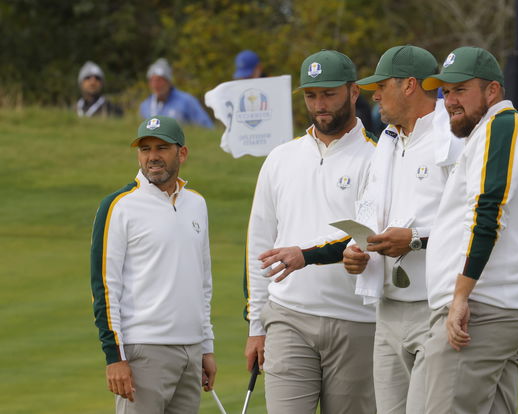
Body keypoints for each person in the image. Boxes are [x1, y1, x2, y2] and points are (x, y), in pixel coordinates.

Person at [263, 45, 462, 413]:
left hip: (435, 307)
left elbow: (466, 224)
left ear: (409, 86)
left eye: (381, 86)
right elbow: (370, 228)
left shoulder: (451, 140)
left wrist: (415, 241)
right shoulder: (388, 142)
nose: (376, 95)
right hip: (386, 307)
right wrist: (356, 253)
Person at [244, 50, 378, 413]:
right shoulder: (280, 158)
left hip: (358, 322)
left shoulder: (379, 157)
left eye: (329, 94)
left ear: (353, 93)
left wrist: (309, 256)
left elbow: (370, 237)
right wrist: (257, 325)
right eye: (311, 95)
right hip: (288, 316)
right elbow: (259, 244)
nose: (319, 105)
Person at [421, 46, 518, 414]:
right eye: (446, 92)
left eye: (460, 90)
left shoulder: (502, 127)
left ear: (492, 91)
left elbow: (487, 214)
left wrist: (460, 296)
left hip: (486, 308)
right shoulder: (492, 131)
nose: (449, 101)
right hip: (499, 305)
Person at [90, 115, 216, 413]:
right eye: (145, 149)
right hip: (143, 353)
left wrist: (206, 346)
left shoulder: (196, 203)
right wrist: (114, 357)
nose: (152, 157)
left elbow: (203, 283)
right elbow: (105, 286)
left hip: (191, 351)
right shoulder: (119, 205)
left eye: (162, 148)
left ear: (181, 153)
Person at [139, 58, 214, 128]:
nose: (156, 85)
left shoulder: (187, 101)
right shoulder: (145, 106)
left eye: (160, 80)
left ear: (169, 82)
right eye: (152, 80)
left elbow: (207, 128)